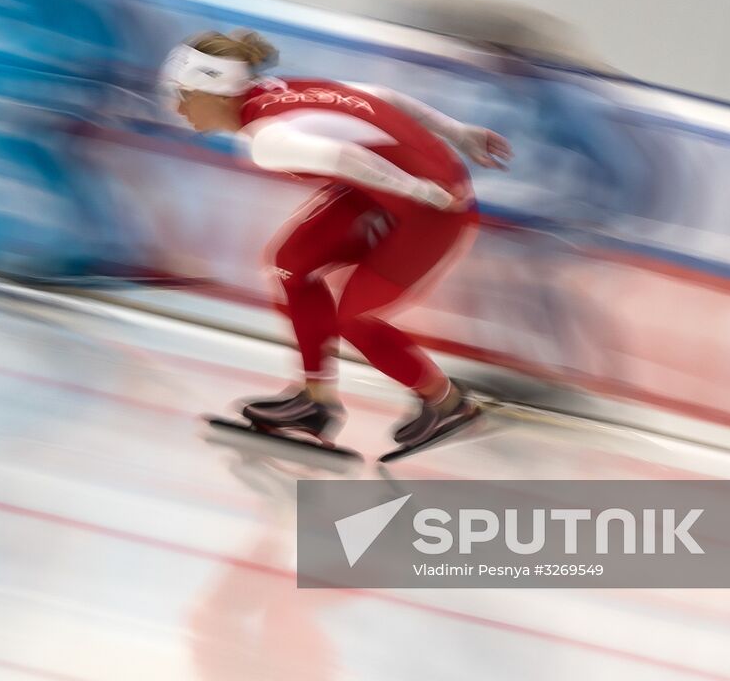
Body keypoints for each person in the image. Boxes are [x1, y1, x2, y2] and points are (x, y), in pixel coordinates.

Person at [161, 30, 513, 454]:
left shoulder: (267, 140)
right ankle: (315, 400)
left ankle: (447, 402)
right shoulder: (279, 90)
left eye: (183, 95)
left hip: (431, 209)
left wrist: (419, 191)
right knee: (292, 262)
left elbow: (347, 159)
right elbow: (382, 96)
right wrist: (457, 133)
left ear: (216, 94)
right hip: (398, 188)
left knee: (355, 318)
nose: (178, 108)